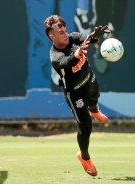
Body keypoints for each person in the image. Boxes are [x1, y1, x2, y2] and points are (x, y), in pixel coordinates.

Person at [44, 15, 110, 176]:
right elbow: (67, 62)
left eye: (65, 30)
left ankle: (94, 109)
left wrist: (94, 36)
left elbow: (87, 39)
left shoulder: (73, 38)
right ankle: (84, 157)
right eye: (60, 32)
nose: (65, 34)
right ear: (51, 36)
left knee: (96, 92)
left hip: (89, 79)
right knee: (86, 126)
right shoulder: (54, 55)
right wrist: (78, 53)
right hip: (75, 93)